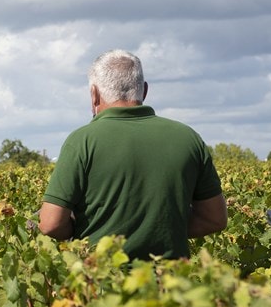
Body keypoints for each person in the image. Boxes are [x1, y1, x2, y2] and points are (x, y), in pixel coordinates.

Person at [38, 50, 227, 260]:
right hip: (170, 278)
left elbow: (50, 224)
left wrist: (80, 231)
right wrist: (166, 231)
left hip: (102, 276)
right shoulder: (188, 138)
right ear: (144, 90)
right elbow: (215, 219)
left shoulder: (82, 141)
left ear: (94, 94)